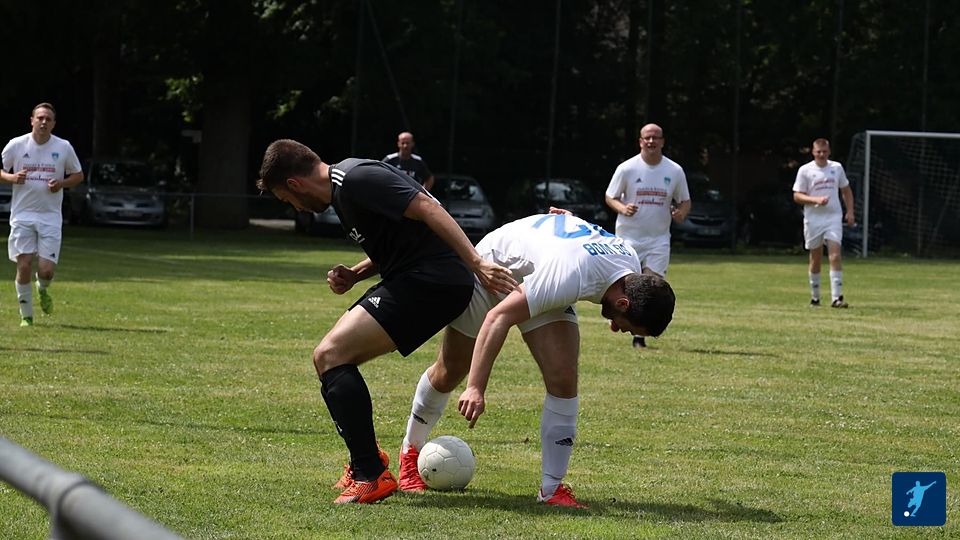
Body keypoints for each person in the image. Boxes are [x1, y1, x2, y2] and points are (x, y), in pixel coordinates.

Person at [255, 139, 516, 504]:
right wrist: (356, 273)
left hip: (433, 280)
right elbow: (399, 240)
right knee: (330, 359)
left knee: (331, 355)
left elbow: (428, 207)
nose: (296, 208)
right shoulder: (344, 191)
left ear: (295, 184)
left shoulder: (356, 178)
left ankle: (371, 474)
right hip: (417, 278)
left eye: (288, 200)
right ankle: (367, 463)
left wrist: (477, 263)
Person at [396, 210, 676, 508]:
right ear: (623, 302)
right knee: (451, 371)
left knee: (563, 377)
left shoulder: (630, 265)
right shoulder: (569, 274)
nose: (618, 329)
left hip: (541, 274)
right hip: (494, 269)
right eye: (626, 326)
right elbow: (497, 318)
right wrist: (476, 387)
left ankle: (552, 489)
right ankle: (410, 452)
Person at [604, 123, 689, 349]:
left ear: (662, 141)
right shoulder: (627, 168)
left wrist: (681, 213)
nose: (651, 141)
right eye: (647, 138)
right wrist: (622, 208)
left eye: (656, 137)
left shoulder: (674, 170)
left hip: (659, 239)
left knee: (652, 284)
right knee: (627, 283)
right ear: (640, 141)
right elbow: (610, 196)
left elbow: (685, 201)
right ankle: (617, 318)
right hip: (628, 238)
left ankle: (639, 335)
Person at [1, 103, 84, 327]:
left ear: (53, 124)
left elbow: (78, 175)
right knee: (24, 264)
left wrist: (61, 184)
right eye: (40, 118)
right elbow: (1, 171)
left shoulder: (63, 147)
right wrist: (11, 178)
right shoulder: (17, 145)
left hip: (50, 216)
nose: (43, 122)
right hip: (22, 215)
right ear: (32, 120)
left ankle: (42, 288)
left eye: (48, 119)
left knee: (46, 271)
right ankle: (26, 316)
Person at [792, 138, 854, 308]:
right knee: (816, 257)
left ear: (829, 152)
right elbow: (797, 195)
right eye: (818, 152)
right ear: (813, 152)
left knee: (835, 255)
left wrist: (850, 211)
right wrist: (815, 200)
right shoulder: (805, 170)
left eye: (824, 151)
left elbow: (846, 190)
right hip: (813, 219)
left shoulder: (836, 168)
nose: (821, 155)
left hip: (833, 217)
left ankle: (837, 298)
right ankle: (815, 298)